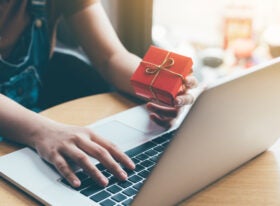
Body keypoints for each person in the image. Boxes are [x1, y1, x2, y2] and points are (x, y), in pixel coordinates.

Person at [0, 0, 198, 188]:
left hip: (29, 137)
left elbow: (111, 57)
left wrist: (161, 86)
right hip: (34, 132)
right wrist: (41, 131)